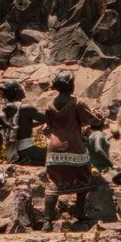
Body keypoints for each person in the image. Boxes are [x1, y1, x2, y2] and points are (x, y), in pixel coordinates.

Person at [42, 71, 97, 232]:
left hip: (54, 147)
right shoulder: (77, 103)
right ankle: (79, 211)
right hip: (74, 145)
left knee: (52, 182)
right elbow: (91, 120)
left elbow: (48, 126)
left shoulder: (49, 104)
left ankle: (47, 221)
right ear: (71, 86)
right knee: (84, 175)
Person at [0, 80, 47, 164]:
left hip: (15, 150)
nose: (23, 90)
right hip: (27, 149)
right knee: (55, 155)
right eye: (20, 88)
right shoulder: (25, 108)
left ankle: (27, 160)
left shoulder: (8, 108)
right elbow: (47, 117)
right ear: (16, 91)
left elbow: (22, 126)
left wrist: (41, 122)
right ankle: (27, 160)